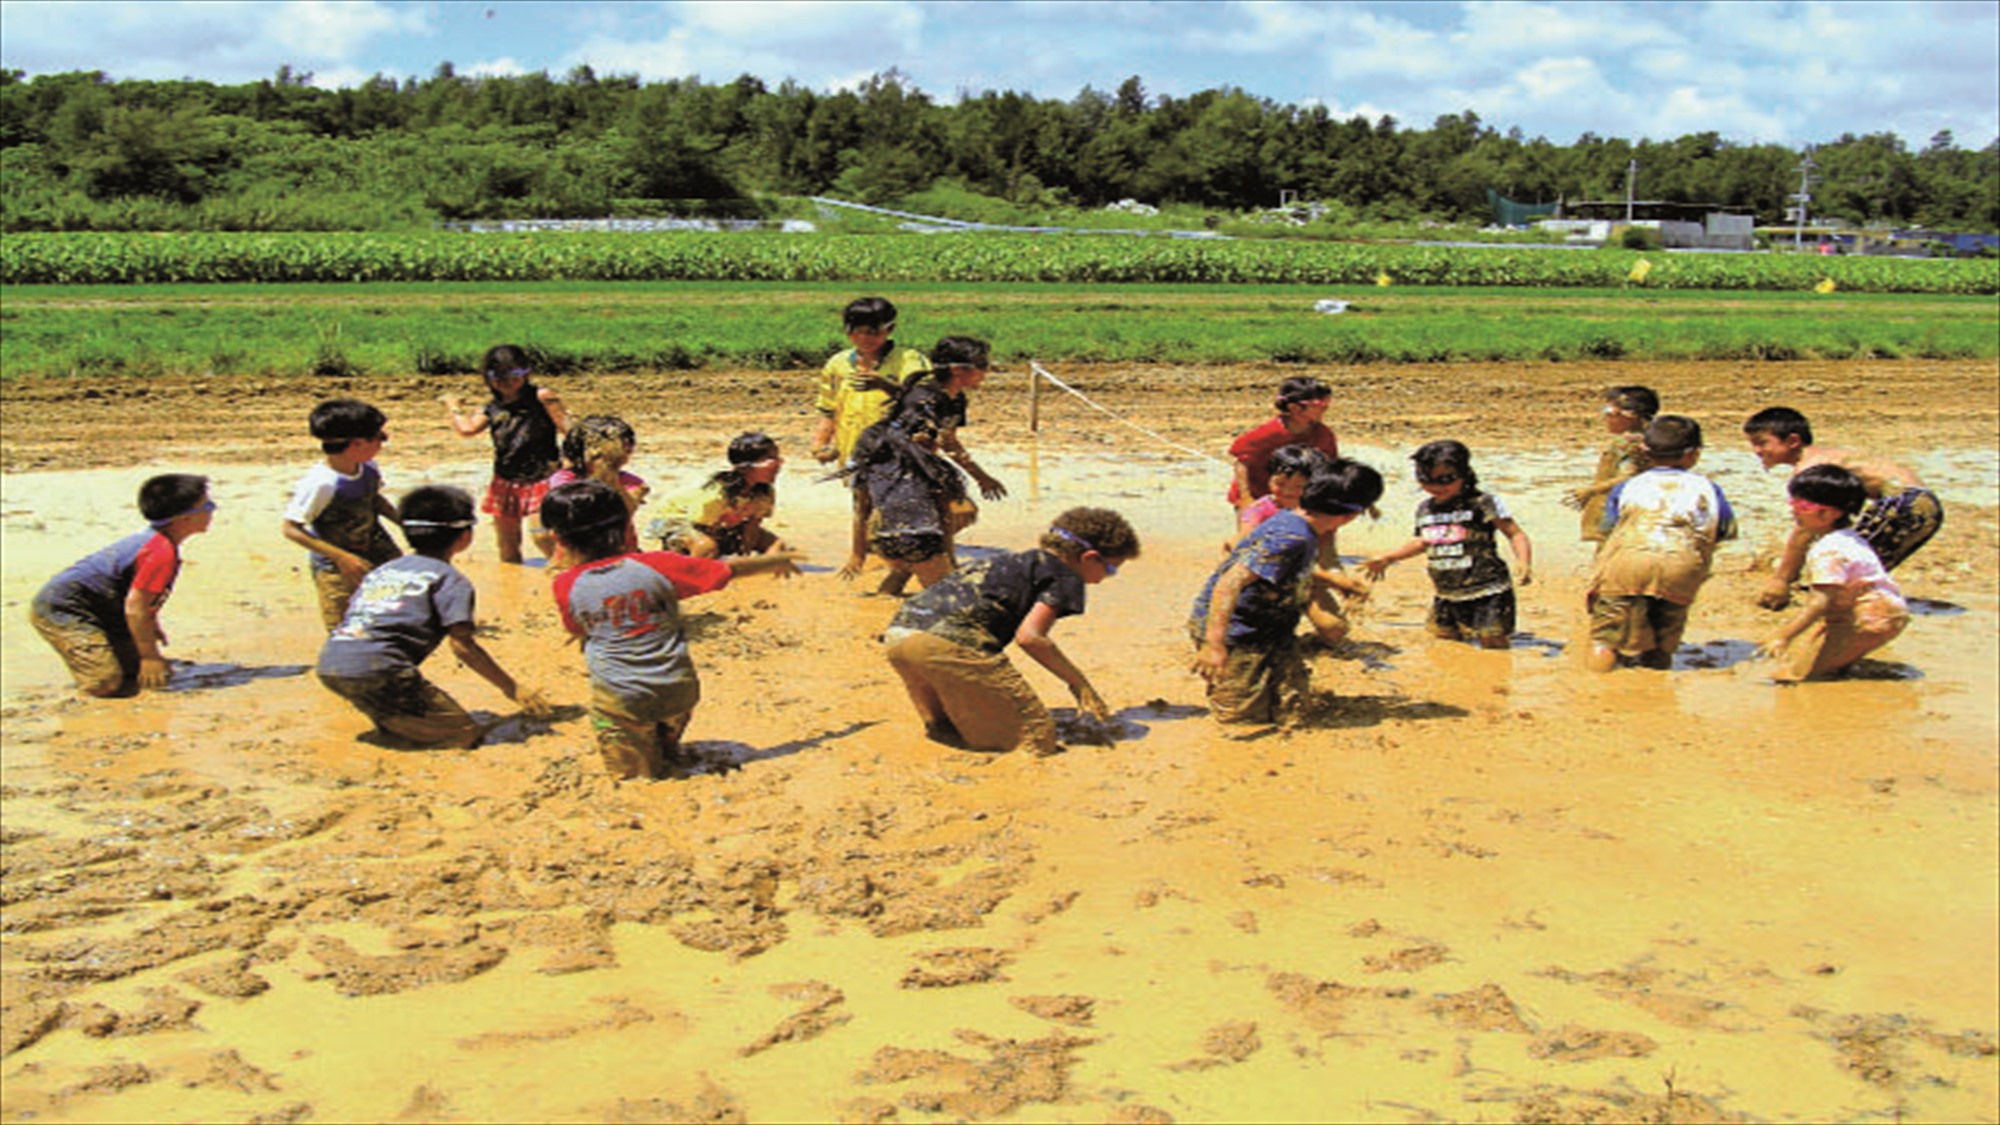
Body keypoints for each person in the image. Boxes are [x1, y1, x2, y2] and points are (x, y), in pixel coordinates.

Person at [542, 480, 801, 780]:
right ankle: (665, 755)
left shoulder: (565, 586)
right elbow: (726, 571)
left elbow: (576, 628)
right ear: (627, 527)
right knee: (667, 753)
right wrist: (776, 561)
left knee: (635, 780)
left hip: (621, 699)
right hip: (678, 690)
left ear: (557, 539)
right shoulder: (659, 565)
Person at [884, 507, 1139, 757]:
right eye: (1111, 569)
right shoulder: (1065, 575)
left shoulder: (1009, 561)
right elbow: (1031, 637)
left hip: (899, 634)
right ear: (1090, 558)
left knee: (946, 729)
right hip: (949, 642)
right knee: (1036, 738)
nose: (1106, 578)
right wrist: (1078, 683)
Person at [316, 486, 539, 748]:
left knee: (398, 711)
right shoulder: (451, 581)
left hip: (331, 664)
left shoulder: (384, 570)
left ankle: (394, 730)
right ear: (465, 537)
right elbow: (463, 647)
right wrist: (511, 688)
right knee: (465, 734)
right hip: (381, 668)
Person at [1192, 461, 1385, 729]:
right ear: (1351, 515)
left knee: (1292, 703)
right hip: (1236, 632)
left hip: (1271, 628)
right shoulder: (1292, 537)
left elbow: (1281, 571)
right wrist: (1214, 645)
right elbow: (1228, 583)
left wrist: (1335, 581)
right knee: (1241, 718)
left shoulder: (1295, 522)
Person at [845, 337, 1008, 591]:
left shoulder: (954, 399)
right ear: (958, 370)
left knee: (957, 512)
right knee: (934, 527)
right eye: (982, 365)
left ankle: (905, 575)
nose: (987, 371)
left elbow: (949, 441)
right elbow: (863, 497)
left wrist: (980, 476)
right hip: (888, 467)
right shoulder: (924, 399)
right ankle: (928, 569)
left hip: (915, 468)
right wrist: (857, 552)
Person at [31, 473, 215, 697]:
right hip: (64, 608)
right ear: (183, 518)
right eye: (207, 505)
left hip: (105, 609)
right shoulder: (159, 552)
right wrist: (149, 655)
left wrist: (150, 627)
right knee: (105, 682)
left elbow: (140, 597)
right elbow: (135, 607)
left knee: (141, 673)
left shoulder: (160, 542)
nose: (211, 511)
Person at [1742, 406, 1943, 609]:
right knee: (1854, 565)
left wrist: (1781, 580)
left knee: (1850, 566)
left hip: (1905, 503)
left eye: (1762, 443)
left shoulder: (1810, 468)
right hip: (1922, 503)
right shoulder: (1824, 458)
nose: (1757, 451)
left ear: (1793, 441)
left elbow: (1804, 529)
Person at [1585, 416, 1737, 672]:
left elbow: (1608, 529)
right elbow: (1724, 530)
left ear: (1645, 451)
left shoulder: (1628, 486)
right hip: (1680, 567)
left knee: (1605, 639)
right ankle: (1656, 687)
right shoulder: (1708, 488)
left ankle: (1597, 688)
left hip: (1626, 564)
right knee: (1661, 644)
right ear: (1693, 454)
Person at [1362, 441, 1534, 650]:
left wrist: (1524, 562)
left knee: (1493, 642)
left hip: (1489, 590)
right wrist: (1388, 557)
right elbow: (1423, 541)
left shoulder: (1482, 503)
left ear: (1465, 474)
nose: (1436, 487)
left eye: (1445, 479)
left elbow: (1515, 534)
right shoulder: (1425, 508)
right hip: (1446, 592)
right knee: (1445, 642)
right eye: (1426, 480)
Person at [812, 297, 932, 583]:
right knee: (861, 502)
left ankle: (903, 559)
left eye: (873, 332)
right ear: (847, 331)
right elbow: (829, 409)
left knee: (896, 502)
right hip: (856, 445)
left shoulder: (909, 360)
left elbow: (924, 399)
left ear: (889, 329)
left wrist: (884, 384)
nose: (864, 339)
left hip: (899, 447)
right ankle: (859, 554)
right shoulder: (838, 364)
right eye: (857, 332)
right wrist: (821, 442)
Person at [1756, 465, 1911, 682]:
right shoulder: (1848, 537)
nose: (1793, 510)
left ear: (1829, 513)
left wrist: (1783, 635)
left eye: (1802, 505)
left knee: (1798, 675)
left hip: (1870, 617)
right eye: (1792, 502)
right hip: (1881, 612)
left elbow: (1820, 603)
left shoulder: (1829, 551)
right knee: (1809, 659)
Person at [440, 344, 568, 564]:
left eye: (513, 375)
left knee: (543, 536)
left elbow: (567, 427)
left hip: (542, 475)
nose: (506, 382)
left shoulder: (542, 397)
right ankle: (514, 583)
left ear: (526, 373)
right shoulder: (491, 407)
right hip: (506, 478)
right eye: (497, 376)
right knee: (507, 543)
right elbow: (468, 429)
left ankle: (562, 573)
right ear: (488, 378)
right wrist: (453, 406)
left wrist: (573, 459)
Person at [283, 399, 403, 631]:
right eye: (379, 436)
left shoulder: (368, 468)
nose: (384, 440)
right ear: (356, 444)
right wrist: (342, 558)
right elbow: (291, 529)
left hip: (378, 552)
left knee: (394, 610)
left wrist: (402, 522)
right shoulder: (322, 483)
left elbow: (374, 499)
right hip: (336, 568)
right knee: (344, 629)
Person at [1234, 446, 1372, 646]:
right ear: (1269, 479)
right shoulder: (1258, 512)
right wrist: (1336, 582)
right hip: (1264, 583)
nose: (1288, 492)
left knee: (1335, 629)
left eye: (1299, 487)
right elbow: (1243, 547)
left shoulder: (1321, 514)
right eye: (1280, 483)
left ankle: (1308, 645)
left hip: (1306, 578)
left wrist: (1338, 579)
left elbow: (1327, 554)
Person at [644, 432, 793, 567]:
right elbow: (700, 525)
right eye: (771, 460)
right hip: (680, 520)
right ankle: (691, 573)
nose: (779, 464)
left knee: (777, 547)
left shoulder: (764, 492)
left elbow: (752, 526)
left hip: (722, 524)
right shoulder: (715, 493)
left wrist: (744, 558)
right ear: (745, 467)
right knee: (706, 548)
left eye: (778, 458)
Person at [531, 415, 647, 558]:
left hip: (621, 549)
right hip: (575, 553)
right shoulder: (563, 480)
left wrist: (608, 472)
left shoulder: (630, 482)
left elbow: (627, 510)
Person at [1226, 376, 1340, 515]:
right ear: (1295, 408)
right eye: (1320, 405)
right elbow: (1242, 463)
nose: (1326, 407)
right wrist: (1246, 498)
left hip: (1297, 498)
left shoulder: (1323, 434)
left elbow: (1331, 468)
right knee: (1253, 534)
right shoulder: (1268, 433)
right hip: (1258, 496)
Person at [1562, 385, 1657, 548]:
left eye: (1609, 411)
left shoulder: (1627, 442)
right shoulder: (1648, 438)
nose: (1605, 417)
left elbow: (1630, 476)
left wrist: (1591, 491)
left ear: (1630, 415)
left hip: (1618, 511)